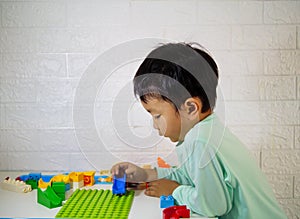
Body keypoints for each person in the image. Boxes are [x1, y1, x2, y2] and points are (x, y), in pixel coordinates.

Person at [111, 43, 287, 219]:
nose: (154, 125)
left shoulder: (201, 141)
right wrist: (146, 174)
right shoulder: (208, 130)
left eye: (157, 116)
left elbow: (213, 206)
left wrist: (174, 190)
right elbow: (189, 174)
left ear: (190, 108)